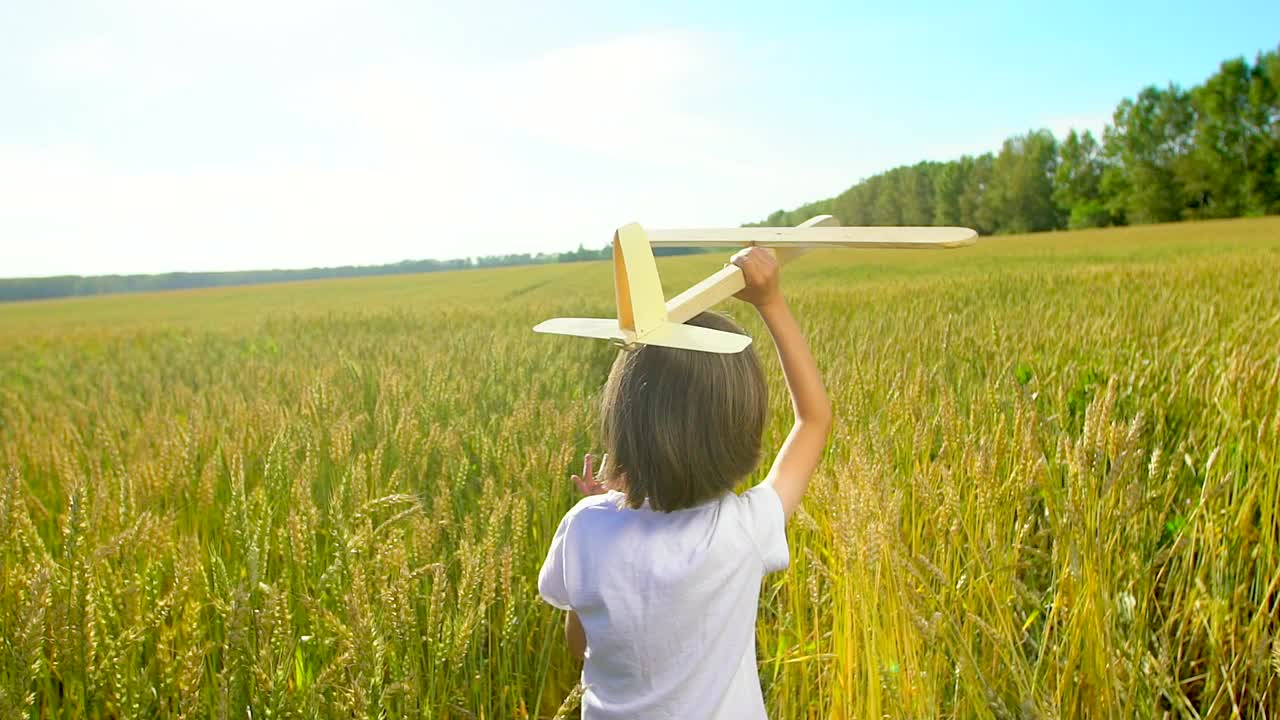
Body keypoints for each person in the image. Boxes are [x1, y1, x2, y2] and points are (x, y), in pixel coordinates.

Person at [538, 247, 833, 719]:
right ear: (740, 429)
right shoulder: (745, 530)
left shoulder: (583, 528)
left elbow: (579, 644)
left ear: (625, 421)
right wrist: (771, 302)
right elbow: (814, 420)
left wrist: (600, 513)